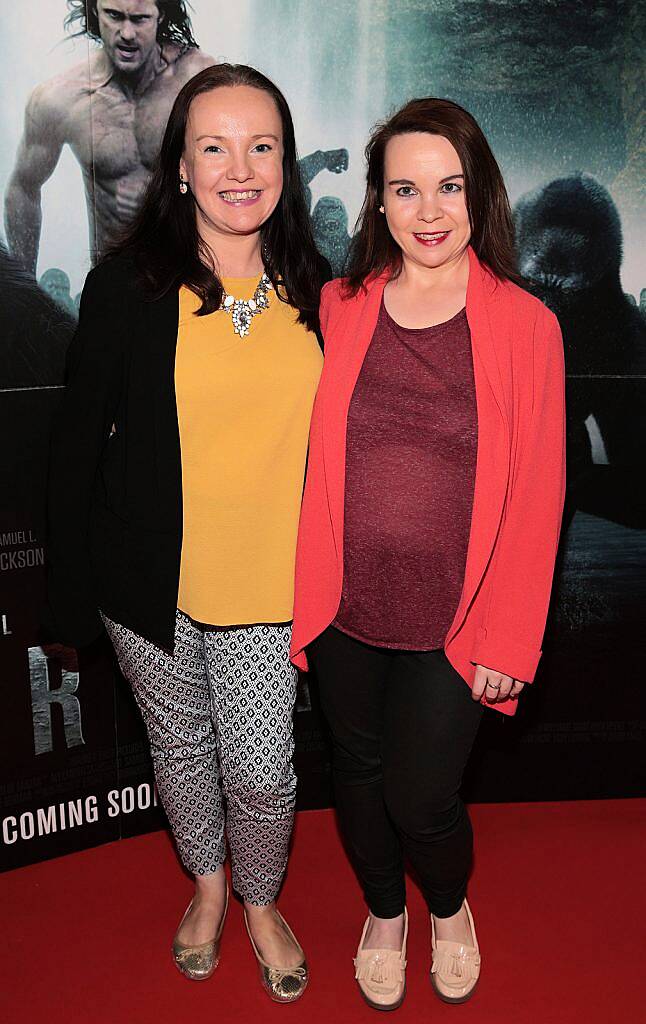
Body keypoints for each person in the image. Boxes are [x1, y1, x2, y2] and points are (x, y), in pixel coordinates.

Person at [45, 62, 329, 1001]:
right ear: (179, 167)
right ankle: (209, 890)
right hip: (150, 585)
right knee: (180, 748)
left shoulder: (318, 289)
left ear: (286, 163)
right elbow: (77, 445)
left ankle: (260, 897)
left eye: (262, 146)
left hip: (272, 589)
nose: (239, 168)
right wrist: (75, 592)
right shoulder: (126, 288)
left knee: (261, 768)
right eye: (214, 147)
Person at [290, 98, 566, 1010]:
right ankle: (384, 914)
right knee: (358, 784)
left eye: (448, 186)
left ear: (477, 193)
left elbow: (538, 500)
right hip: (345, 612)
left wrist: (511, 642)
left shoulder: (527, 326)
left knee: (421, 798)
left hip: (461, 620)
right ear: (376, 201)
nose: (429, 210)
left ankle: (446, 909)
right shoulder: (339, 305)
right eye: (404, 189)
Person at [5, 1, 215, 272]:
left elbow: (238, 169)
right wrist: (26, 292)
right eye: (114, 16)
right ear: (95, 10)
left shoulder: (197, 80)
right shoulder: (59, 100)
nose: (127, 33)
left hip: (188, 275)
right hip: (112, 281)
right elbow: (22, 189)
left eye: (139, 19)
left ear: (160, 15)